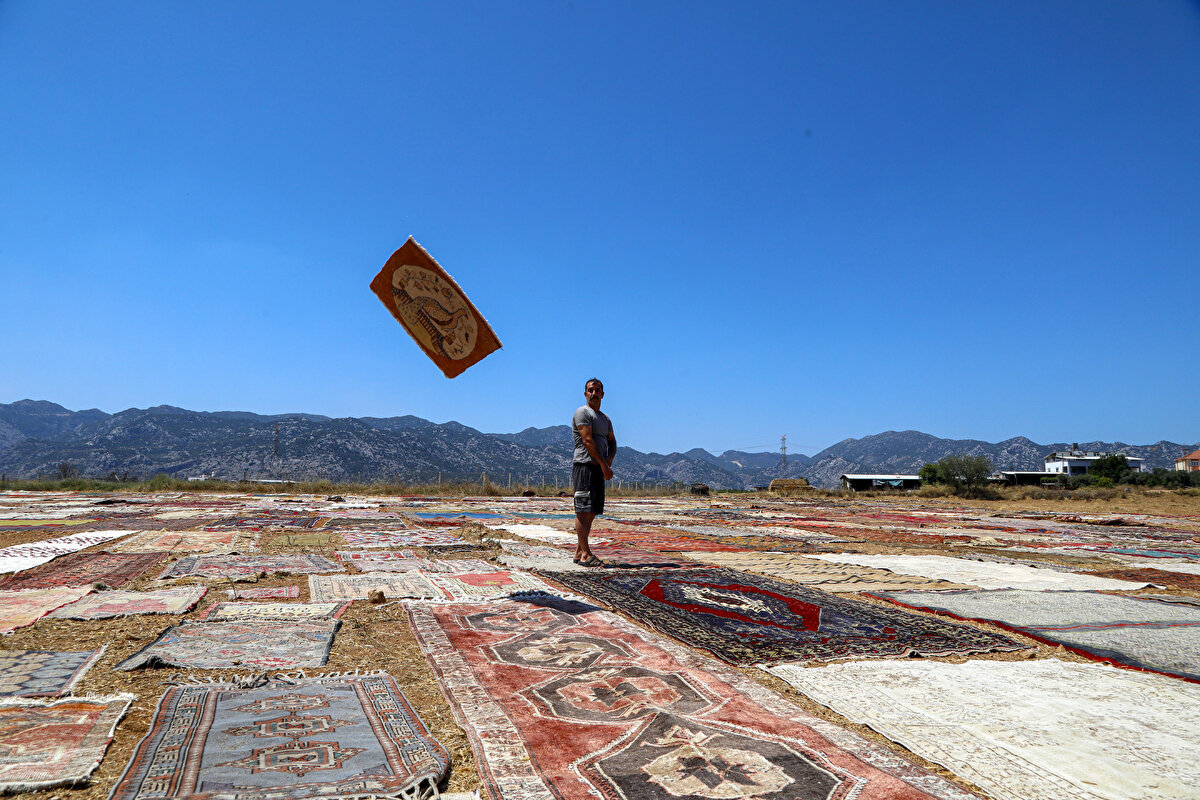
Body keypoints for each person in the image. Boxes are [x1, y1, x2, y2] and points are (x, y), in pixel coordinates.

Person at [571, 377, 615, 567]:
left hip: (598, 468)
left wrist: (608, 461)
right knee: (583, 511)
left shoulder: (605, 419)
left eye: (597, 390)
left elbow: (612, 441)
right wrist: (604, 465)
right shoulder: (583, 412)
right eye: (591, 390)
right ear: (585, 393)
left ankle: (579, 551)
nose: (594, 393)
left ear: (603, 394)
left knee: (592, 511)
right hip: (585, 466)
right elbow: (588, 441)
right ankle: (586, 554)